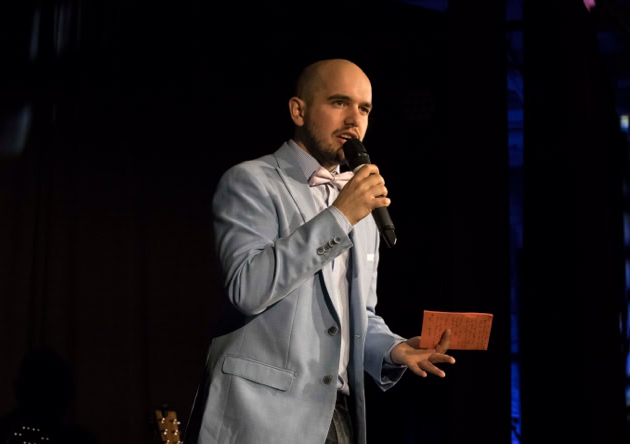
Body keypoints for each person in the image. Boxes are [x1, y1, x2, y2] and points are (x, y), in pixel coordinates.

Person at [185, 59, 454, 444]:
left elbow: (357, 314)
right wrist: (340, 216)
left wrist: (393, 349)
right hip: (260, 416)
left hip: (336, 412)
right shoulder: (252, 182)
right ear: (299, 111)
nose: (354, 120)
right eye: (339, 102)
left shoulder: (360, 204)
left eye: (364, 109)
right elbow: (247, 289)